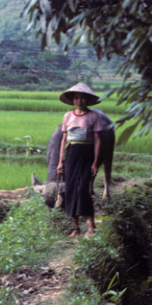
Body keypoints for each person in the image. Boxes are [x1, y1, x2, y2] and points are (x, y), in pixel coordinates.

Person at [56, 83, 102, 238]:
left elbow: (97, 140)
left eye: (82, 97)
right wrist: (60, 162)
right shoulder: (67, 116)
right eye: (76, 98)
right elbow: (63, 140)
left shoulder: (93, 116)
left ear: (87, 100)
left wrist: (95, 162)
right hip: (71, 154)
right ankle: (75, 227)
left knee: (83, 188)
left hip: (87, 154)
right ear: (72, 100)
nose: (79, 100)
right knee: (70, 190)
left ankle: (91, 224)